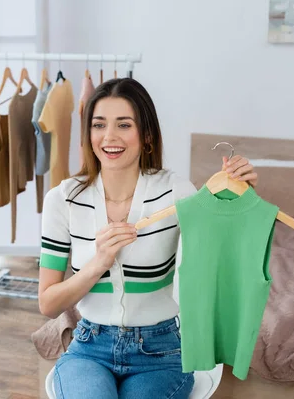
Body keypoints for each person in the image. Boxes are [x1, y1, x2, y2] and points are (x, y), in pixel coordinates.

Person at [38, 78, 258, 399]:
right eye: (99, 125)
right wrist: (98, 263)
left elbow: (223, 256)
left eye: (124, 125)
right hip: (89, 348)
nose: (109, 137)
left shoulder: (175, 192)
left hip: (161, 352)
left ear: (147, 135)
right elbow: (48, 303)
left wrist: (242, 200)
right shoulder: (64, 200)